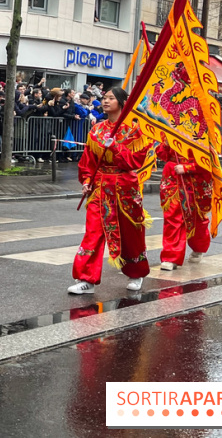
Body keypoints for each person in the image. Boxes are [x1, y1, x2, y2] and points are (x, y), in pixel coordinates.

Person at [68, 88, 150, 294]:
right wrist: (87, 180)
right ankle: (86, 278)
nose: (105, 101)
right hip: (100, 187)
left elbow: (135, 161)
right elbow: (88, 161)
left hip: (124, 186)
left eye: (111, 98)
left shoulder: (134, 131)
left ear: (122, 102)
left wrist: (115, 147)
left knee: (130, 233)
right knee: (93, 232)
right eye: (104, 98)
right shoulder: (96, 130)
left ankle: (136, 272)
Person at [157, 139, 213, 271]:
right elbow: (161, 154)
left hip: (195, 182)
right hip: (173, 178)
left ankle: (199, 248)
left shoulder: (203, 135)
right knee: (172, 217)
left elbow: (209, 161)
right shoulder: (170, 131)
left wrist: (188, 167)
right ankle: (171, 257)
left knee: (196, 219)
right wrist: (166, 142)